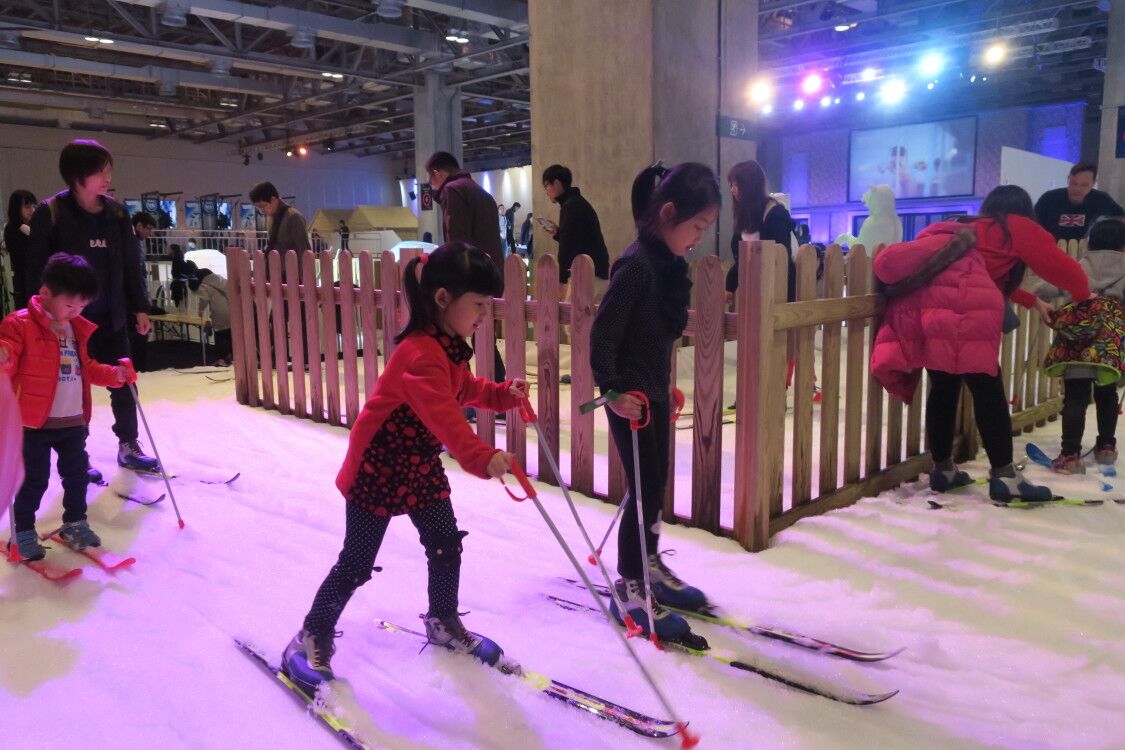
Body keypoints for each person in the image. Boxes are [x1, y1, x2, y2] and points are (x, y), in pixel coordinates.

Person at [280, 241, 528, 694]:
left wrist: (498, 394)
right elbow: (447, 419)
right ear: (442, 299)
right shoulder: (418, 355)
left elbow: (462, 388)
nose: (483, 315)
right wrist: (480, 456)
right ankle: (310, 635)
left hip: (417, 462)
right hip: (378, 464)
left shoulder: (445, 346)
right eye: (477, 305)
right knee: (356, 562)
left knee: (444, 542)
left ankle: (443, 621)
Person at [870, 184, 1091, 502]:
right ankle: (1005, 478)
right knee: (989, 392)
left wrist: (1033, 301)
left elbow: (978, 275)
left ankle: (943, 470)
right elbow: (1071, 275)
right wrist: (1087, 302)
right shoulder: (1016, 225)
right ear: (1023, 209)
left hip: (931, 313)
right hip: (964, 314)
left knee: (943, 390)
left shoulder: (967, 228)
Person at [590, 162, 721, 644]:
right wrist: (614, 392)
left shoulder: (665, 266)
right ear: (668, 213)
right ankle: (627, 587)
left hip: (653, 396)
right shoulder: (636, 267)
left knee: (656, 485)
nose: (699, 238)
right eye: (697, 227)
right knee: (642, 492)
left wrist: (664, 387)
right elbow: (602, 339)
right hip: (630, 400)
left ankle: (648, 566)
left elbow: (653, 341)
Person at [25, 139, 156, 479]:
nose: (107, 178)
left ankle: (129, 445)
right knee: (71, 389)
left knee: (124, 381)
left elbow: (131, 264)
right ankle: (76, 456)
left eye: (108, 170)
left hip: (111, 317)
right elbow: (35, 272)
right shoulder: (51, 212)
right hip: (66, 322)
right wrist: (39, 319)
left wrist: (140, 307)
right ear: (77, 175)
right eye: (100, 172)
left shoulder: (116, 213)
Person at [0, 253, 136, 561]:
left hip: (72, 420)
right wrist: (4, 357)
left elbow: (84, 367)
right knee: (34, 479)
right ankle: (22, 530)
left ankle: (75, 522)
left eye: (82, 307)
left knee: (77, 475)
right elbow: (8, 358)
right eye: (70, 305)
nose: (75, 312)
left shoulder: (76, 329)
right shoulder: (19, 325)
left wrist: (114, 375)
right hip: (33, 423)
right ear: (46, 293)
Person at [1036, 218, 1125, 473]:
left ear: (1091, 240)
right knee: (1107, 395)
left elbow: (1044, 288)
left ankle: (1070, 454)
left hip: (1077, 341)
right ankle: (1107, 447)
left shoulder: (1080, 266)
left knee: (1075, 397)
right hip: (1108, 343)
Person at [425, 151, 505, 381]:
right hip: (489, 273)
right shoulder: (482, 193)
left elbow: (456, 239)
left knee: (456, 335)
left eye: (430, 179)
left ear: (437, 173)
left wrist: (450, 272)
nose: (432, 185)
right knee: (485, 338)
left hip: (467, 277)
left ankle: (461, 392)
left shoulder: (452, 190)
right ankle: (496, 390)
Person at [726, 160, 794, 301]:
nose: (732, 190)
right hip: (753, 290)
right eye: (731, 185)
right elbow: (743, 259)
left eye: (736, 185)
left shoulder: (775, 214)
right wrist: (730, 286)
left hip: (777, 292)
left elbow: (781, 258)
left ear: (750, 185)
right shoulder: (745, 216)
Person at [542, 165, 610, 301]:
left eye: (546, 185)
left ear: (556, 183)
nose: (545, 191)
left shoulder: (571, 206)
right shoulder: (576, 202)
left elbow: (567, 247)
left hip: (587, 276)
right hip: (593, 272)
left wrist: (561, 280)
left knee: (573, 321)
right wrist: (558, 233)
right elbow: (577, 239)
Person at [1035, 162, 1124, 243]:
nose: (1077, 189)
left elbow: (1121, 218)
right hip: (1051, 248)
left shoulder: (1101, 199)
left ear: (1093, 183)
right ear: (1068, 179)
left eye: (1084, 185)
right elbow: (1032, 224)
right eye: (1073, 183)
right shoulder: (1049, 198)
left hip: (1085, 252)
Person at [250, 182, 311, 255]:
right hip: (277, 264)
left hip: (292, 265)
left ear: (273, 199)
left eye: (263, 206)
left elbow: (304, 251)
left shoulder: (293, 217)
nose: (261, 210)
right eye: (259, 207)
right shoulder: (271, 218)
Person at [189, 268, 232, 366]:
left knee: (221, 335)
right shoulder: (223, 280)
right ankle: (231, 357)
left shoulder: (205, 285)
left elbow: (204, 299)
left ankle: (222, 359)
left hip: (219, 313)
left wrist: (200, 310)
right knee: (230, 334)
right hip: (232, 311)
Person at [3, 189, 37, 309]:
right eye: (27, 206)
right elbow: (22, 258)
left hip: (38, 279)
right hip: (24, 282)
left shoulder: (35, 226)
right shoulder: (12, 229)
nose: (32, 210)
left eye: (34, 206)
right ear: (16, 208)